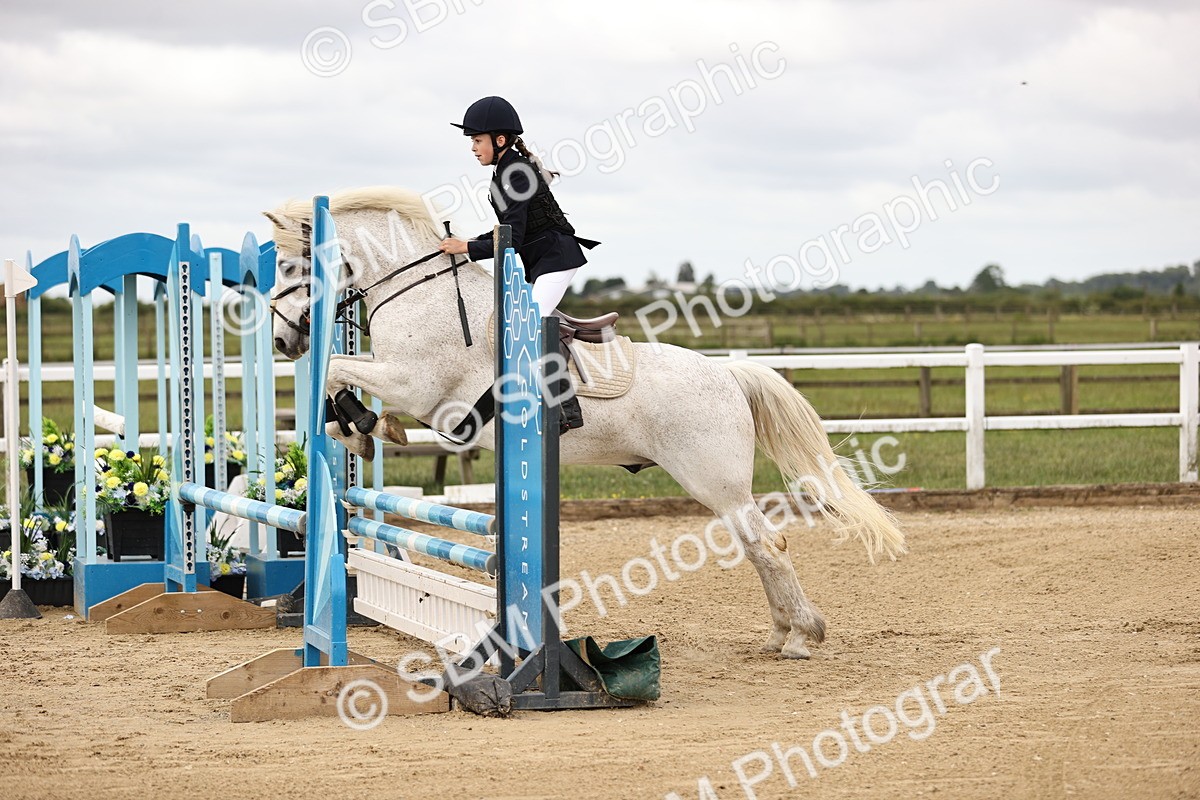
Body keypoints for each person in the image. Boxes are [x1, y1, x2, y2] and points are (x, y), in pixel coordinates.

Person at [439, 96, 596, 432]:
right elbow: (506, 230)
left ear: (499, 140)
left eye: (477, 141)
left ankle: (567, 411)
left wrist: (467, 246)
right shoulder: (506, 170)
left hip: (556, 259)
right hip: (541, 261)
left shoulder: (515, 173)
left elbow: (515, 238)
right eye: (472, 142)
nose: (473, 148)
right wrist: (464, 245)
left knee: (532, 326)